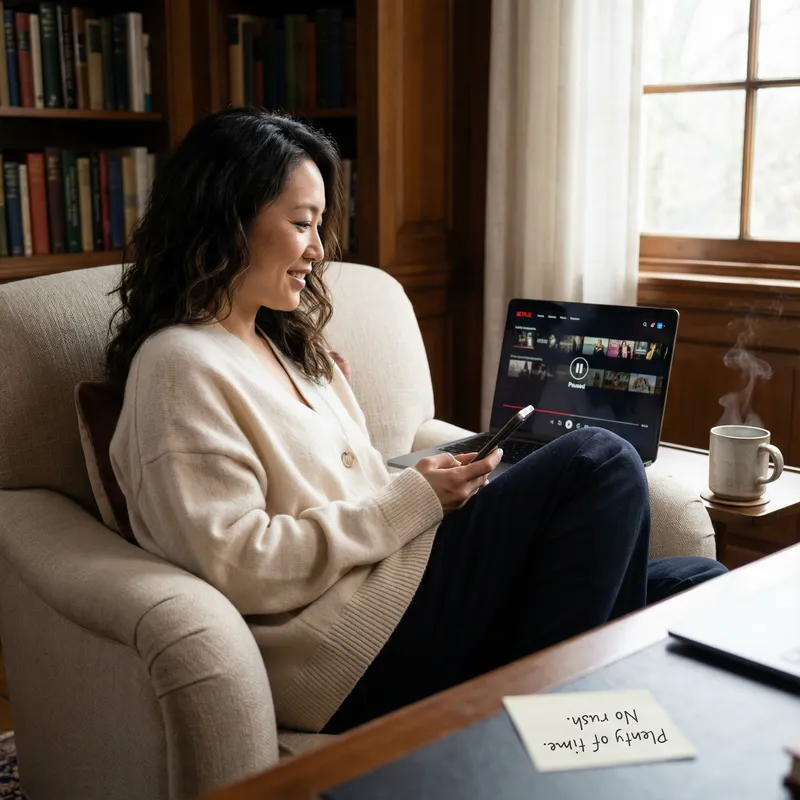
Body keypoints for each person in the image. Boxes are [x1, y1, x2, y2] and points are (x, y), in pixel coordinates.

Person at [105, 109, 727, 736]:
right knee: (601, 460)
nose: (318, 251)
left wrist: (431, 485)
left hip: (401, 591)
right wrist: (412, 501)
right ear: (227, 218)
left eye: (319, 226)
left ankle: (582, 732)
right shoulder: (178, 365)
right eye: (301, 224)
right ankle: (564, 743)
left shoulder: (288, 346)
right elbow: (234, 561)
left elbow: (353, 490)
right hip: (346, 645)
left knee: (697, 586)